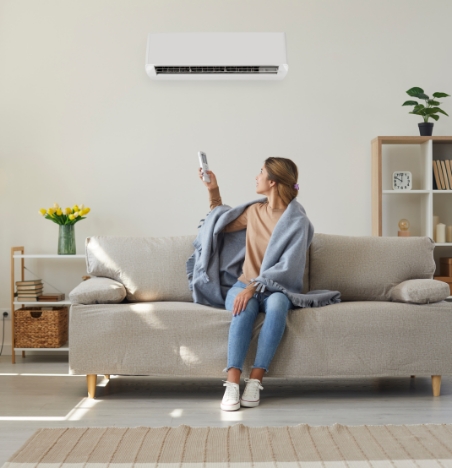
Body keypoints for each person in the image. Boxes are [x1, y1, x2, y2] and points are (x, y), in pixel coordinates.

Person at [198, 157, 304, 411]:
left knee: (278, 305)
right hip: (243, 284)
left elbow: (288, 267)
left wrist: (254, 288)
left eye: (260, 173)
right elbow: (219, 225)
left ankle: (256, 380)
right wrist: (213, 190)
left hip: (277, 288)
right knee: (242, 306)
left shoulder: (297, 221)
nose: (256, 177)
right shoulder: (255, 212)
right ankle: (232, 383)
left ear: (272, 182)